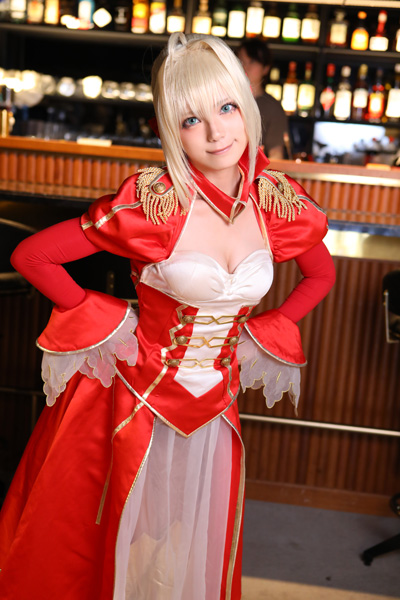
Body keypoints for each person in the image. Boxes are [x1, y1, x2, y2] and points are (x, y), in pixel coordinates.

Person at [0, 33, 335, 600]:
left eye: (227, 107)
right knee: (108, 544)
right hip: (135, 400)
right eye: (191, 119)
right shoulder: (154, 205)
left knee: (191, 549)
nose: (216, 132)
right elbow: (32, 256)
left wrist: (261, 332)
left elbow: (321, 276)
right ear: (169, 130)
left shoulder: (276, 204)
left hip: (217, 408)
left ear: (248, 106)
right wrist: (113, 323)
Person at [237, 38, 288, 160]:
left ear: (265, 69)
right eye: (241, 61)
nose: (245, 67)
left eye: (252, 62)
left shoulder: (272, 107)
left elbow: (276, 154)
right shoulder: (223, 99)